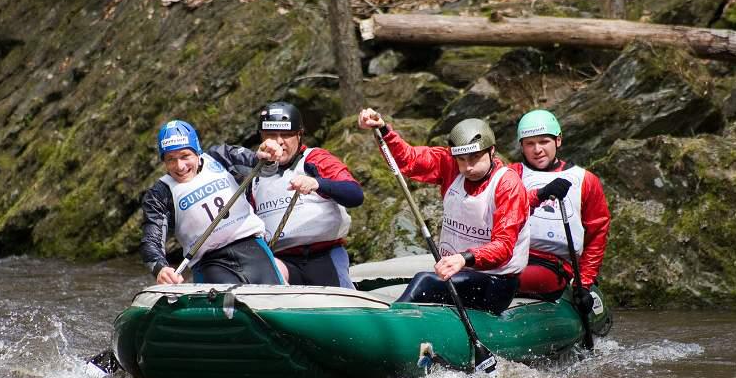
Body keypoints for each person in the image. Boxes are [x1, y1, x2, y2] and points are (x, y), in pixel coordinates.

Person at [358, 108, 530, 316]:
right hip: (455, 273)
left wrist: (463, 258)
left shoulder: (507, 184)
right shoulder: (450, 164)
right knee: (429, 282)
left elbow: (503, 247)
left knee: (425, 281)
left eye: (475, 157)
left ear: (491, 151)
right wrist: (383, 130)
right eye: (462, 159)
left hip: (496, 282)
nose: (468, 167)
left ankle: (393, 322)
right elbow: (408, 160)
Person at [209, 101, 363, 288]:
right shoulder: (253, 171)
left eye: (287, 135)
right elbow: (211, 157)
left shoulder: (315, 159)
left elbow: (355, 195)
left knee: (340, 297)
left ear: (299, 135)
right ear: (261, 137)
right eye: (271, 135)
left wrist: (317, 183)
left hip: (324, 255)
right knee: (263, 274)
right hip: (281, 259)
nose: (279, 141)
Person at [140, 119, 285, 285]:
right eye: (171, 159)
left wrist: (269, 155)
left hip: (252, 247)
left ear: (197, 152)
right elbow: (150, 242)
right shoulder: (159, 194)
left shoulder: (222, 156)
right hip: (209, 263)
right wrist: (161, 269)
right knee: (229, 306)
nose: (180, 166)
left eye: (185, 156)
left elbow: (264, 168)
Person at [507, 109, 610, 311]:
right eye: (530, 143)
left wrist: (584, 283)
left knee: (501, 279)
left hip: (553, 266)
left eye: (544, 141)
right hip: (511, 257)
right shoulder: (510, 174)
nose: (537, 150)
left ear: (558, 140)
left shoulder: (586, 180)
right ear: (522, 146)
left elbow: (597, 235)